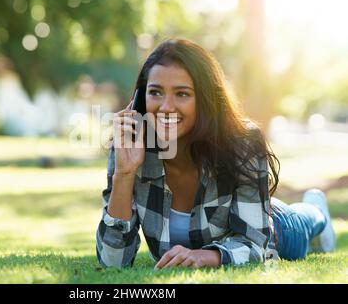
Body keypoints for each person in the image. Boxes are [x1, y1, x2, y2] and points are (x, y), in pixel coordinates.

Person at [95, 38, 336, 269]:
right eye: (155, 92)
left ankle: (316, 209)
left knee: (304, 222)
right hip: (244, 212)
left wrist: (206, 256)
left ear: (206, 99)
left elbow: (255, 244)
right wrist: (124, 175)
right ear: (141, 97)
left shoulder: (242, 141)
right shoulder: (130, 145)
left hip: (275, 227)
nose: (166, 107)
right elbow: (113, 261)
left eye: (182, 94)